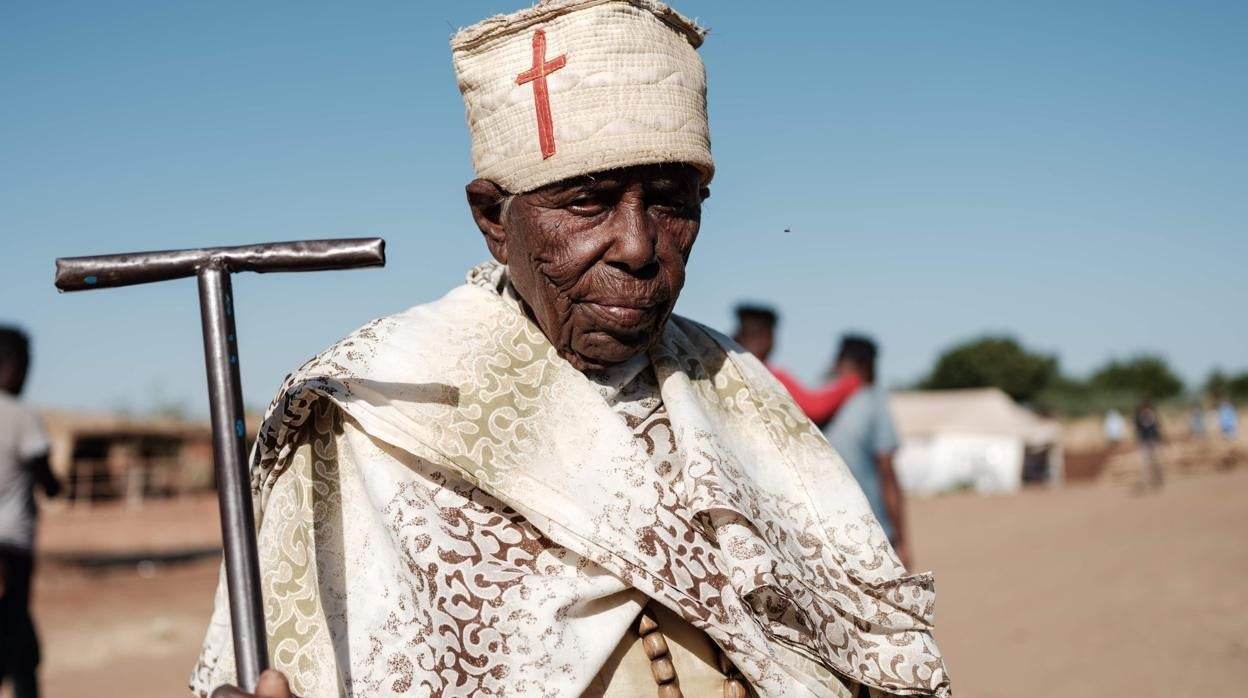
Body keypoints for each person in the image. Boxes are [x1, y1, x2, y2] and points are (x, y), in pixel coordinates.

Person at [198, 2, 949, 697]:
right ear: (495, 219)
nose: (637, 245)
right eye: (587, 201)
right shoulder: (374, 415)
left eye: (668, 200)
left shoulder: (743, 397)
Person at [0, 327, 62, 698]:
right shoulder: (21, 415)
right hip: (10, 546)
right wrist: (55, 484)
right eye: (24, 366)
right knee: (20, 644)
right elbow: (46, 476)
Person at [822, 336, 909, 569]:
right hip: (871, 533)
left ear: (837, 362)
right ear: (869, 366)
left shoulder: (817, 403)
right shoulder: (873, 403)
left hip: (823, 533)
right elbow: (887, 473)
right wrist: (902, 541)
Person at [731, 304, 861, 426]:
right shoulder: (768, 375)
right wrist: (854, 380)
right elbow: (815, 409)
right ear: (767, 339)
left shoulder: (725, 371)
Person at [1134, 398, 1164, 489]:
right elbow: (1138, 428)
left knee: (1155, 460)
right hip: (1144, 440)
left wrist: (1158, 437)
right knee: (1145, 462)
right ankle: (1146, 481)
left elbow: (1156, 427)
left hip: (1152, 440)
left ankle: (1158, 478)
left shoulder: (1152, 415)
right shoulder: (1139, 416)